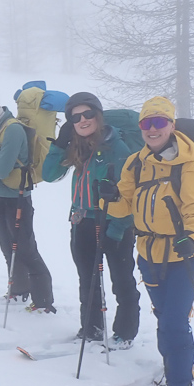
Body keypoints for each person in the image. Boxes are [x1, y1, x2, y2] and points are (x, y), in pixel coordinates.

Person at [98, 96, 194, 386]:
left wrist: (191, 237)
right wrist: (110, 199)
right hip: (148, 253)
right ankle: (178, 368)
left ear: (171, 126)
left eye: (159, 122)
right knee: (165, 320)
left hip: (186, 255)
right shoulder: (136, 163)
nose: (152, 129)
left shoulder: (189, 167)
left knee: (174, 321)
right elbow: (127, 206)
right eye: (147, 123)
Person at [42, 92, 140, 347]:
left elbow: (129, 194)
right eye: (76, 117)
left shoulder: (116, 147)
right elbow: (49, 174)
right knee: (88, 279)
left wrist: (117, 230)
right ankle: (91, 329)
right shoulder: (75, 145)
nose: (82, 120)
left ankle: (125, 333)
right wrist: (59, 144)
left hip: (113, 222)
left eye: (87, 114)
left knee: (122, 280)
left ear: (98, 115)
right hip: (82, 221)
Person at [0, 81, 56, 313]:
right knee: (8, 248)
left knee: (26, 250)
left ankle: (44, 302)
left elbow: (1, 169)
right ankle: (19, 291)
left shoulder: (12, 129)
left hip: (18, 197)